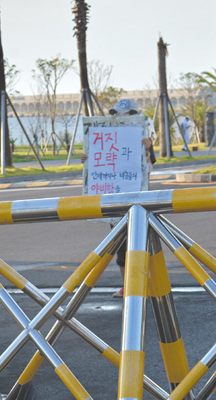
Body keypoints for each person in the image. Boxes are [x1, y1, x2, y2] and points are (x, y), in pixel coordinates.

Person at [81, 98, 156, 297]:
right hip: (117, 205)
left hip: (137, 205)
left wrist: (147, 149)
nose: (117, 118)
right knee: (121, 251)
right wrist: (89, 160)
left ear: (133, 115)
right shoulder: (108, 136)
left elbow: (148, 169)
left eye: (122, 114)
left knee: (141, 247)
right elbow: (102, 163)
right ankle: (128, 286)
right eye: (115, 114)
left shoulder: (142, 139)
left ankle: (145, 286)